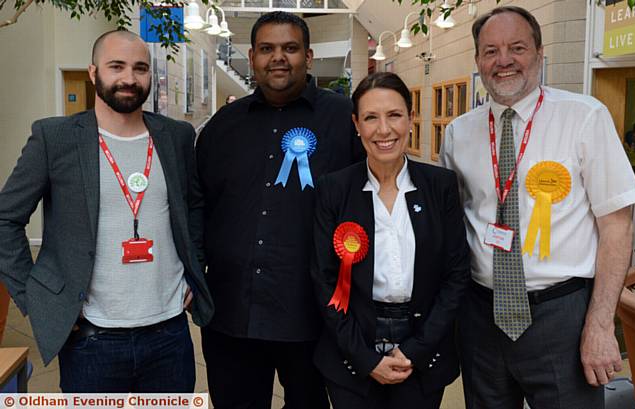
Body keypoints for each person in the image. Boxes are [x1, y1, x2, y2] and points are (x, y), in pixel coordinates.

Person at [440, 6, 635, 409]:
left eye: (517, 47)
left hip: (562, 315)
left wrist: (601, 325)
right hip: (481, 315)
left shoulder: (585, 117)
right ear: (478, 60)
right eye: (491, 51)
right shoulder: (459, 133)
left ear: (539, 52)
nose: (504, 61)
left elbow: (617, 225)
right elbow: (453, 227)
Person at [0, 30, 214, 392]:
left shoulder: (176, 136)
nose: (129, 78)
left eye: (140, 68)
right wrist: (36, 299)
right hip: (90, 340)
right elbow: (5, 220)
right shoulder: (56, 137)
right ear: (93, 71)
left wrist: (193, 271)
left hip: (170, 335)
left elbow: (193, 207)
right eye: (117, 66)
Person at [196, 11, 364, 409]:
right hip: (232, 314)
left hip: (314, 315)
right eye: (268, 49)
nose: (278, 58)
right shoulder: (222, 127)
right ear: (252, 56)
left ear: (308, 56)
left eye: (290, 48)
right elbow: (198, 205)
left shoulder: (344, 120)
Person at [311, 72, 470, 409]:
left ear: (411, 119)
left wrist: (415, 350)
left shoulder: (440, 185)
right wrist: (365, 358)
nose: (384, 130)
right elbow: (324, 280)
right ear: (356, 124)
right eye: (371, 117)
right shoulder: (334, 189)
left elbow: (456, 275)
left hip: (422, 349)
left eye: (394, 115)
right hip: (351, 351)